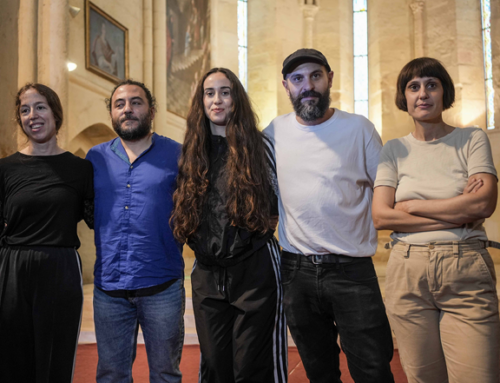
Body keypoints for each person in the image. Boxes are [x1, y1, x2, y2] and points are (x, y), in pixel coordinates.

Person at [264, 49, 394, 383]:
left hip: (352, 271)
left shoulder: (359, 129)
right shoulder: (274, 133)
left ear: (330, 79)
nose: (308, 86)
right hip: (297, 271)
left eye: (315, 76)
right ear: (286, 86)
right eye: (298, 79)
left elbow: (388, 190)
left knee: (373, 369)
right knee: (319, 372)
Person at [372, 57, 500, 383]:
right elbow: (380, 215)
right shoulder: (393, 150)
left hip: (465, 269)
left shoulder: (471, 139)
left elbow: (484, 203)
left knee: (479, 376)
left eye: (432, 84)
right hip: (407, 272)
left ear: (444, 92)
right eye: (413, 87)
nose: (423, 93)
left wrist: (411, 205)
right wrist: (458, 211)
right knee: (423, 379)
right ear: (404, 97)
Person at [171, 67, 287, 383]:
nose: (218, 100)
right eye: (210, 93)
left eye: (226, 91)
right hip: (207, 273)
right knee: (214, 364)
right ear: (201, 100)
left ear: (236, 98)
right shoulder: (192, 151)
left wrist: (253, 234)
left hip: (255, 269)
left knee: (253, 365)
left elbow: (280, 201)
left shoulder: (260, 147)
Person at [86, 80, 184, 383]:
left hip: (162, 285)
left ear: (151, 110)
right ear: (112, 113)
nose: (127, 109)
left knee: (166, 374)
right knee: (111, 375)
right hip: (109, 288)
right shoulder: (95, 157)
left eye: (136, 102)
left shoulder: (178, 155)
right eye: (120, 104)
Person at [0, 83, 93, 382]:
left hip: (60, 267)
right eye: (24, 110)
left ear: (55, 113)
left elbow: (99, 219)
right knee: (11, 356)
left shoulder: (80, 169)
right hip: (11, 267)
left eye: (40, 107)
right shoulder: (5, 169)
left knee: (55, 357)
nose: (32, 115)